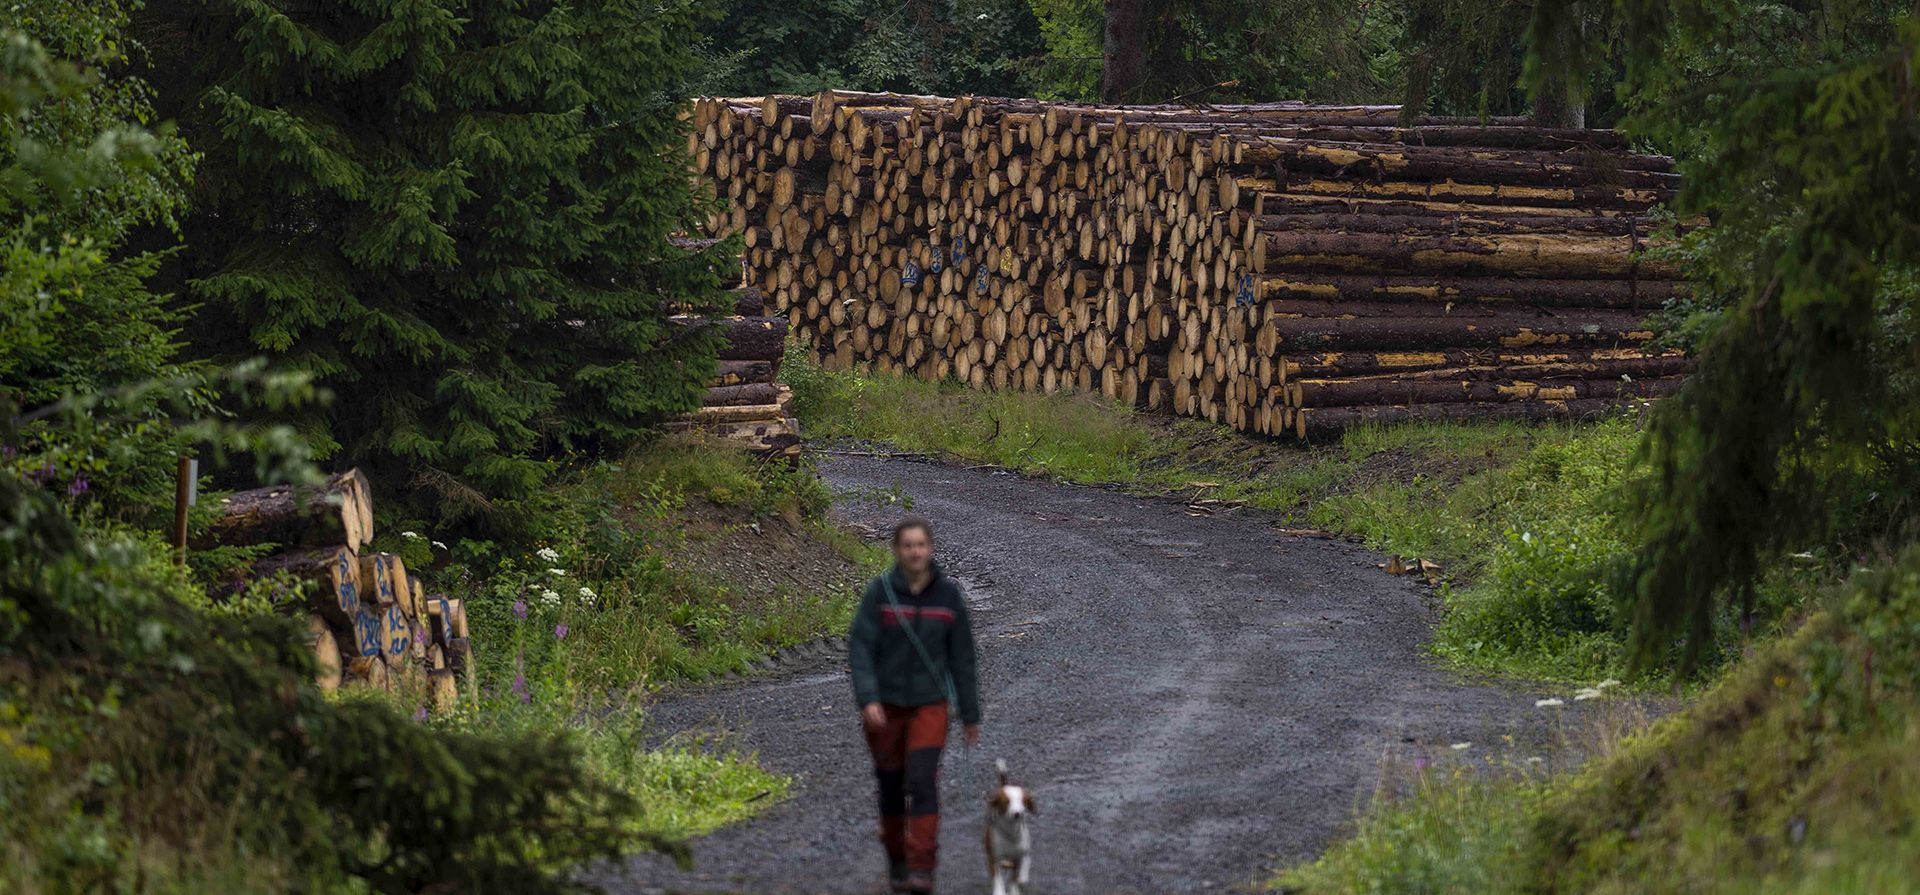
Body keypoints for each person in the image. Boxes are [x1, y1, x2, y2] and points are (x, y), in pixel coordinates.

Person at [848, 516, 982, 894]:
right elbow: (860, 647)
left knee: (922, 781)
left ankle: (922, 867)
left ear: (931, 549)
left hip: (930, 704)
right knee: (890, 785)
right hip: (885, 707)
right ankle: (897, 861)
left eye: (920, 545)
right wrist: (868, 698)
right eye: (907, 545)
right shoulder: (880, 593)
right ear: (896, 550)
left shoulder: (948, 596)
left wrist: (970, 714)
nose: (914, 551)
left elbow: (963, 658)